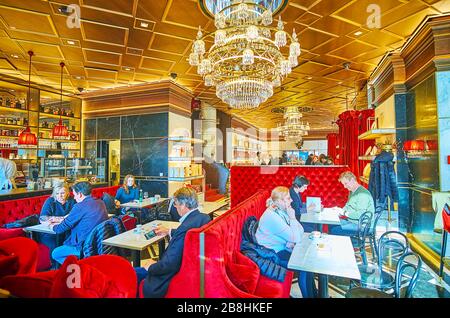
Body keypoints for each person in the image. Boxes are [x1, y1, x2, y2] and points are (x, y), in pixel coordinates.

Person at [136, 187, 210, 298]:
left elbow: (169, 264)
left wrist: (151, 266)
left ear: (183, 205)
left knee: (131, 273)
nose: (175, 207)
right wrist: (169, 231)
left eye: (175, 204)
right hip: (194, 268)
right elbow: (188, 234)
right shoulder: (204, 218)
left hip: (168, 275)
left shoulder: (184, 227)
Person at [255, 186, 316, 298]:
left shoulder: (280, 210)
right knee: (304, 266)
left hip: (282, 247)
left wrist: (291, 220)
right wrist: (292, 218)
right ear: (279, 201)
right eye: (288, 198)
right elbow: (296, 237)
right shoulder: (271, 216)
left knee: (308, 264)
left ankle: (314, 295)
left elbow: (300, 231)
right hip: (272, 255)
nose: (291, 200)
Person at [45, 181, 108, 265]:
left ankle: (80, 268)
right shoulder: (100, 202)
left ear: (80, 194)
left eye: (75, 195)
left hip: (84, 246)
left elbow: (60, 228)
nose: (74, 198)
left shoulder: (80, 206)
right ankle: (82, 265)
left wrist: (50, 225)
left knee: (55, 253)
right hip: (98, 244)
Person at [329, 171, 375, 236]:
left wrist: (345, 213)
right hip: (353, 221)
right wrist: (339, 211)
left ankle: (345, 245)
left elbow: (360, 215)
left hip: (362, 226)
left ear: (353, 180)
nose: (345, 186)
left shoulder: (362, 194)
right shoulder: (352, 191)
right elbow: (347, 206)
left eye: (346, 183)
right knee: (332, 223)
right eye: (343, 184)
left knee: (335, 230)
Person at [39, 182, 75, 252]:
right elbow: (43, 217)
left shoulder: (72, 200)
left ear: (67, 192)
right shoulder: (50, 201)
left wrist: (57, 219)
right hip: (51, 232)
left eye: (62, 193)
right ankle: (55, 262)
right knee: (54, 245)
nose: (59, 196)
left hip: (67, 230)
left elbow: (74, 216)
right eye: (57, 193)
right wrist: (64, 218)